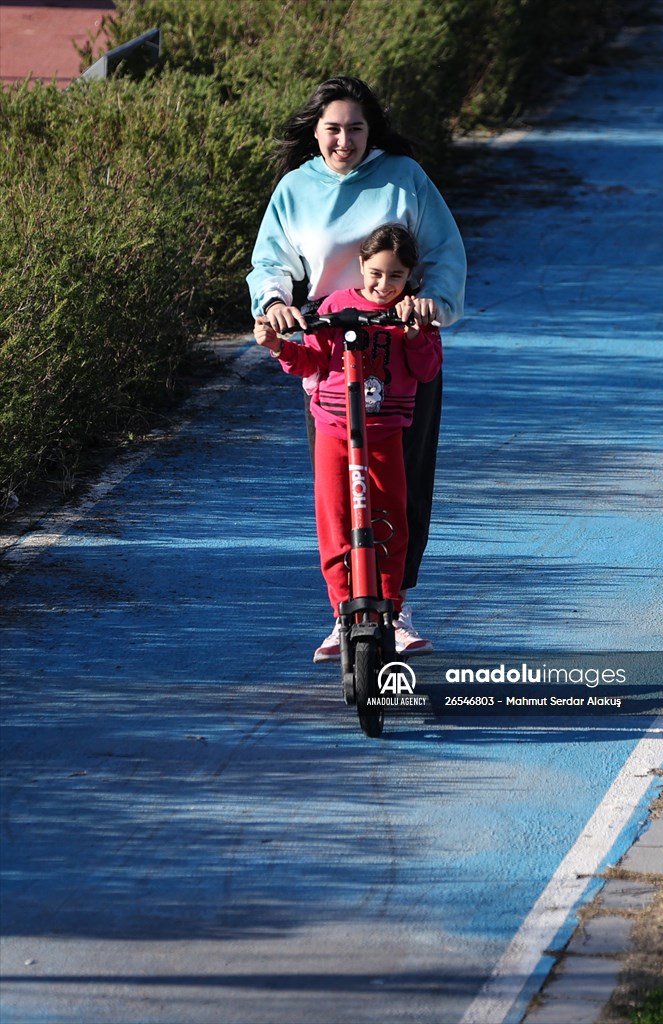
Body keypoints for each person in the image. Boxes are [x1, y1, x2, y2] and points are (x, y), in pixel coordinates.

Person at [247, 75, 466, 652]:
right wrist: (274, 305)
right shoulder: (295, 189)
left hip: (401, 349)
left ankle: (398, 606)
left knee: (403, 485)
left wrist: (431, 307)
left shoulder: (405, 178)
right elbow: (268, 260)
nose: (344, 140)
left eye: (356, 128)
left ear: (373, 130)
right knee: (339, 492)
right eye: (333, 130)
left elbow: (445, 251)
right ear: (315, 132)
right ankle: (346, 608)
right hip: (327, 355)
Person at [254, 225, 442, 662]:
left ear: (410, 276)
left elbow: (427, 370)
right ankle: (343, 615)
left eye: (395, 276)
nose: (383, 284)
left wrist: (415, 333)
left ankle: (392, 613)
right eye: (375, 273)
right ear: (360, 267)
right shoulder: (335, 308)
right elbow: (310, 363)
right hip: (335, 432)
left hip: (385, 433)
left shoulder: (412, 314)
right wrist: (278, 346)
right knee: (336, 525)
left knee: (392, 519)